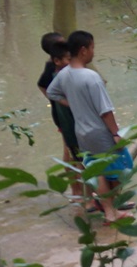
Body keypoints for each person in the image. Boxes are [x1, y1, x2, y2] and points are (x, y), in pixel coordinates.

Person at [47, 30, 131, 222]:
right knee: (119, 167)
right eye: (92, 47)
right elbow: (105, 111)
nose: (94, 52)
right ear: (83, 50)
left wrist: (74, 104)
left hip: (81, 132)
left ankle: (109, 211)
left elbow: (52, 93)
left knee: (96, 170)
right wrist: (116, 133)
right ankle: (111, 210)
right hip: (99, 132)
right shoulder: (91, 77)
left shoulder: (64, 74)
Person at [37, 33, 81, 172]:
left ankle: (78, 188)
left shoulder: (62, 67)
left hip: (66, 114)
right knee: (70, 151)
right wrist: (56, 99)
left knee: (72, 150)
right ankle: (76, 188)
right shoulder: (51, 68)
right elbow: (42, 85)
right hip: (63, 116)